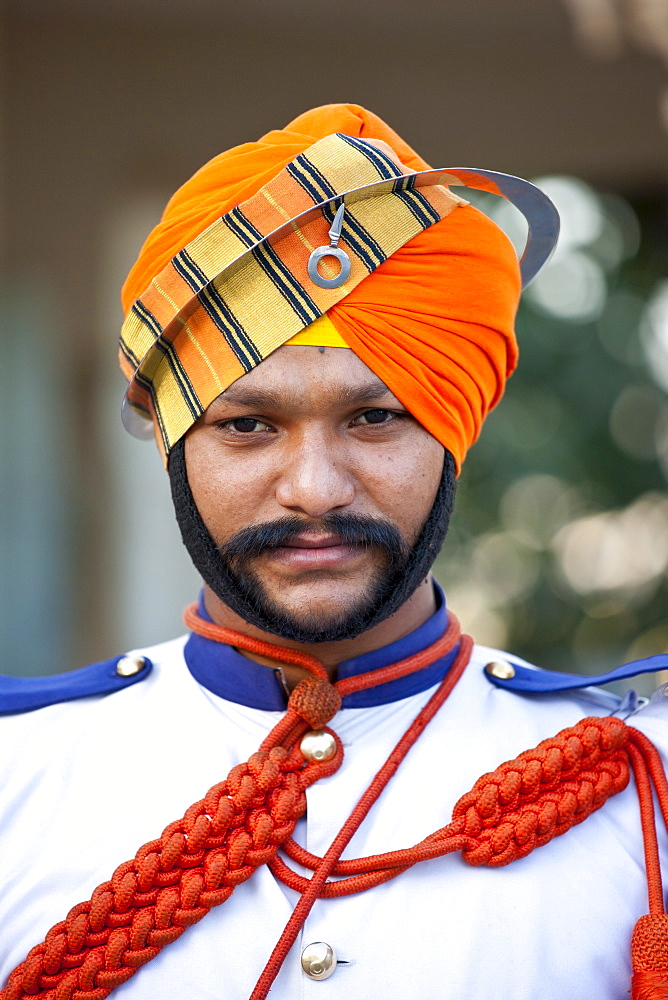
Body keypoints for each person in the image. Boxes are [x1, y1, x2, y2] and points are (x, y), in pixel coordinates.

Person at [1, 104, 667, 1000]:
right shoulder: (22, 776)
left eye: (375, 418)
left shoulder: (637, 796)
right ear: (172, 443)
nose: (315, 487)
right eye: (248, 425)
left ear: (453, 430)